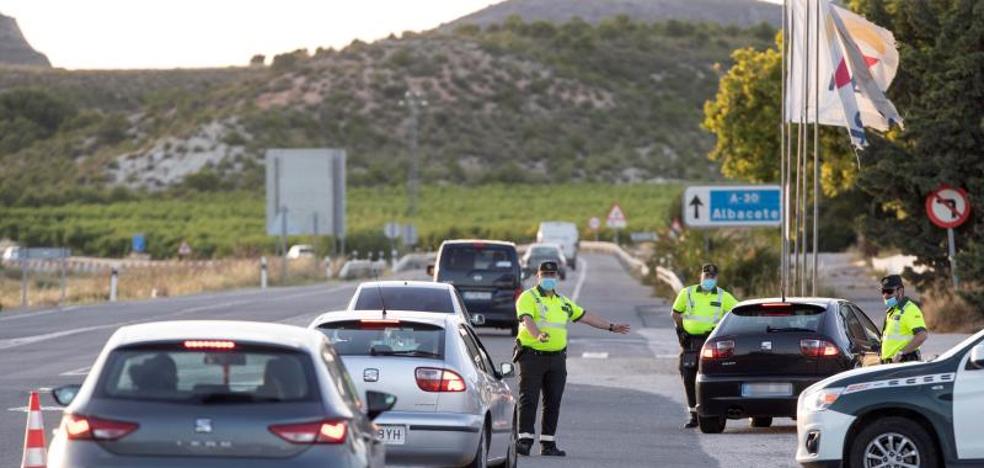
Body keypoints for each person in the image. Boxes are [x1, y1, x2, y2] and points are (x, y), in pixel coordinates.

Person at [514, 261, 631, 457]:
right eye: (545, 275)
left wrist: (611, 326)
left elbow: (585, 316)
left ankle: (548, 444)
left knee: (553, 401)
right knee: (529, 399)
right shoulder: (528, 297)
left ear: (557, 277)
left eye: (552, 274)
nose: (549, 278)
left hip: (557, 359)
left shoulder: (563, 302)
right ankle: (524, 441)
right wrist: (537, 335)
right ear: (538, 277)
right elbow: (527, 320)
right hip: (532, 356)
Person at [671, 263, 738, 428]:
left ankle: (715, 413)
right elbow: (675, 313)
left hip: (712, 342)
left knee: (713, 378)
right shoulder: (687, 293)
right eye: (706, 276)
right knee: (688, 376)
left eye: (712, 277)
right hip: (691, 342)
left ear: (716, 278)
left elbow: (737, 313)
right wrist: (681, 332)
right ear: (701, 276)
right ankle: (694, 415)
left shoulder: (723, 296)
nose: (709, 279)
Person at [878, 274, 929, 364]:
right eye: (883, 291)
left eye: (889, 291)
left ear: (900, 291)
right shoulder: (892, 311)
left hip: (903, 364)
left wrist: (901, 352)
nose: (885, 295)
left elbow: (922, 335)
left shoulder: (910, 309)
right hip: (889, 365)